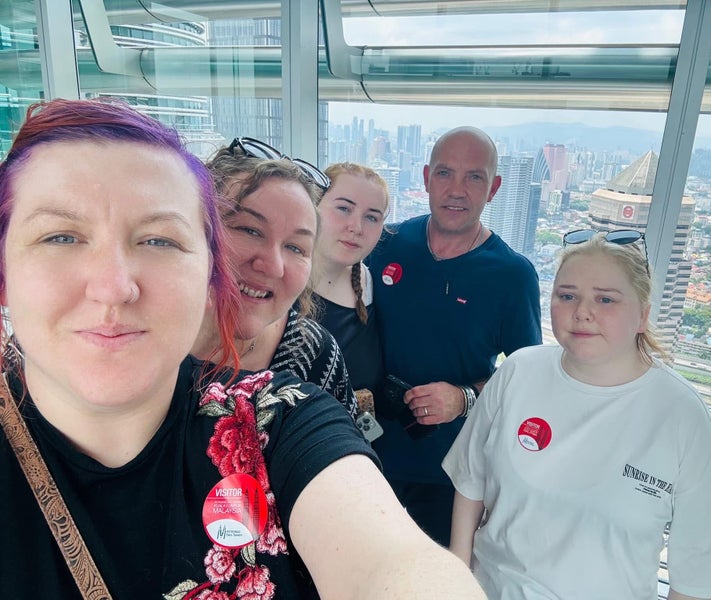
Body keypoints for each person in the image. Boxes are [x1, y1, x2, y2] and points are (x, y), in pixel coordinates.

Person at [0, 98, 487, 600]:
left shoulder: (280, 412)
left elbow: (388, 557)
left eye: (159, 241)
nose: (114, 287)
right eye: (60, 237)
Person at [443, 230, 711, 599]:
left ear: (643, 315)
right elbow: (470, 480)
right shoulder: (519, 372)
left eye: (606, 299)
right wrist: (456, 578)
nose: (582, 312)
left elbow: (697, 573)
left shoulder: (682, 416)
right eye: (567, 296)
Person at [367, 126, 542, 545]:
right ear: (427, 178)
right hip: (367, 454)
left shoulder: (512, 275)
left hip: (452, 472)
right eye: (445, 173)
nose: (457, 190)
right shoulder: (384, 245)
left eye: (474, 177)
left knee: (438, 574)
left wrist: (464, 398)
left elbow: (528, 381)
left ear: (494, 188)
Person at [192, 141, 358, 420]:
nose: (273, 267)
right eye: (249, 230)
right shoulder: (137, 336)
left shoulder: (314, 353)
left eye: (295, 247)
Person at [311, 162, 388, 409]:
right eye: (344, 208)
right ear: (313, 206)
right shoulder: (277, 285)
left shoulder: (368, 281)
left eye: (371, 217)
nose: (356, 227)